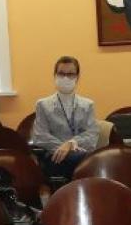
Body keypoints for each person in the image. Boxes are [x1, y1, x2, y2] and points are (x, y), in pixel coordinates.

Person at [28, 55, 98, 183]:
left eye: (70, 74)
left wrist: (70, 144)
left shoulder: (88, 105)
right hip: (55, 156)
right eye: (61, 73)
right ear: (55, 75)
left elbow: (92, 135)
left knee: (85, 159)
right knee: (87, 162)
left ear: (77, 77)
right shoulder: (43, 104)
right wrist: (62, 148)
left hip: (81, 155)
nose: (65, 78)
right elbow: (40, 135)